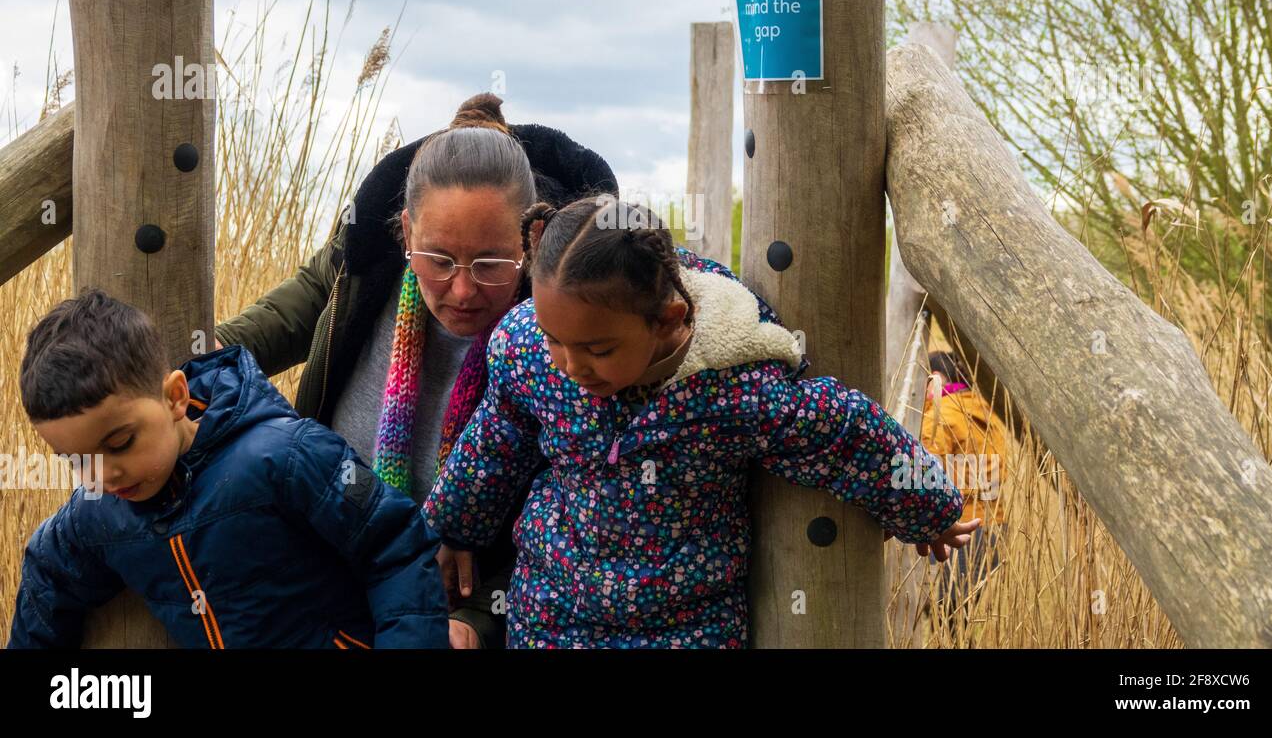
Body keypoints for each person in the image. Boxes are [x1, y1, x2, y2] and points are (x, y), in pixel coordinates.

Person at [427, 196, 978, 648]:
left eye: (596, 349)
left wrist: (927, 508)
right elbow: (497, 437)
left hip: (686, 625)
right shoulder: (528, 354)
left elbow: (843, 431)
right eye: (555, 340)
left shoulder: (730, 390)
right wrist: (454, 525)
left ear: (669, 319)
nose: (570, 366)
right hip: (553, 610)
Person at [214, 93, 616, 648]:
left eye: (492, 263)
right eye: (439, 259)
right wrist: (194, 356)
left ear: (534, 241)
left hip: (458, 612)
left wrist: (478, 619)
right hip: (330, 572)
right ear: (405, 233)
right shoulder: (363, 262)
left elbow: (580, 514)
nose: (463, 289)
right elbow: (281, 317)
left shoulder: (572, 337)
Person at [9, 290, 448, 649]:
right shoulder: (97, 511)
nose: (104, 475)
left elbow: (395, 546)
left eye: (120, 443)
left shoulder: (285, 457)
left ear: (175, 397)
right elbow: (47, 570)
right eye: (76, 460)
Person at [922, 349, 1008, 615]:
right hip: (995, 528)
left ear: (935, 379)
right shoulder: (985, 410)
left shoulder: (939, 416)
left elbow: (922, 475)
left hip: (959, 530)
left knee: (943, 616)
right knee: (956, 619)